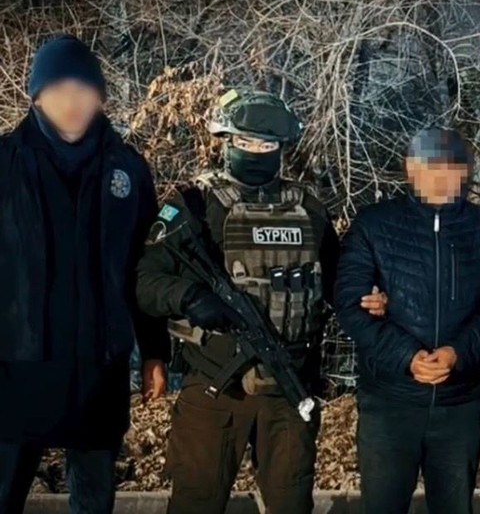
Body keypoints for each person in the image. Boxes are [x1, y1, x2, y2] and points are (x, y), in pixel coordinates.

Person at [135, 89, 338, 514]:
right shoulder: (193, 205)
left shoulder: (310, 210)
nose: (256, 152)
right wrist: (189, 296)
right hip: (215, 386)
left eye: (267, 145)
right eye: (246, 142)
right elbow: (145, 281)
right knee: (196, 502)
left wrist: (372, 301)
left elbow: (340, 284)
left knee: (291, 503)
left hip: (288, 387)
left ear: (281, 148)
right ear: (225, 140)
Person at [0, 34, 168, 514]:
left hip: (99, 369)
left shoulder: (128, 169)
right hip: (16, 367)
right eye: (58, 90)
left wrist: (154, 351)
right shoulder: (5, 164)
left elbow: (145, 267)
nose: (71, 102)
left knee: (93, 503)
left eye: (83, 89)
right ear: (37, 97)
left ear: (100, 97)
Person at [335, 127, 480, 514]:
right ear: (411, 169)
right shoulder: (373, 225)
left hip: (459, 402)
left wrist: (458, 353)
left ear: (464, 171)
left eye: (451, 166)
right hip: (389, 403)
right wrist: (407, 356)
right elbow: (350, 304)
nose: (441, 176)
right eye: (430, 165)